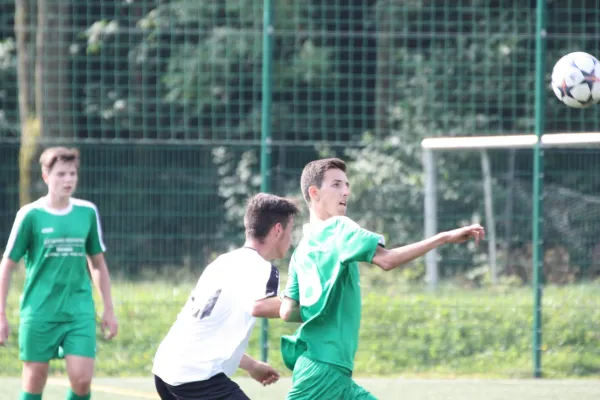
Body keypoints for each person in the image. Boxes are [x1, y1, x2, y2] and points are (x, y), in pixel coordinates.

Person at [279, 158, 485, 400]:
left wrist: (324, 307)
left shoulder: (301, 250)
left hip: (327, 368)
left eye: (347, 185)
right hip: (324, 371)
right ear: (314, 193)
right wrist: (444, 237)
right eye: (336, 185)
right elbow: (387, 260)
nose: (345, 191)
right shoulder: (339, 227)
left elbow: (287, 310)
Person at [152, 192, 300, 400]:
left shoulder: (222, 262)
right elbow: (260, 306)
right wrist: (313, 308)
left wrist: (252, 365)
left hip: (166, 367)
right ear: (277, 229)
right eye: (290, 230)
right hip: (196, 377)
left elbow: (212, 329)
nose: (291, 239)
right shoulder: (262, 268)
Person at [0, 147, 119, 400]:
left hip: (79, 310)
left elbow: (97, 264)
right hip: (40, 309)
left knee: (82, 379)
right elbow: (8, 264)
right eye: (61, 174)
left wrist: (108, 308)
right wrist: (0, 314)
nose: (68, 180)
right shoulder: (30, 215)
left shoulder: (87, 212)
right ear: (45, 176)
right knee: (35, 379)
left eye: (72, 174)